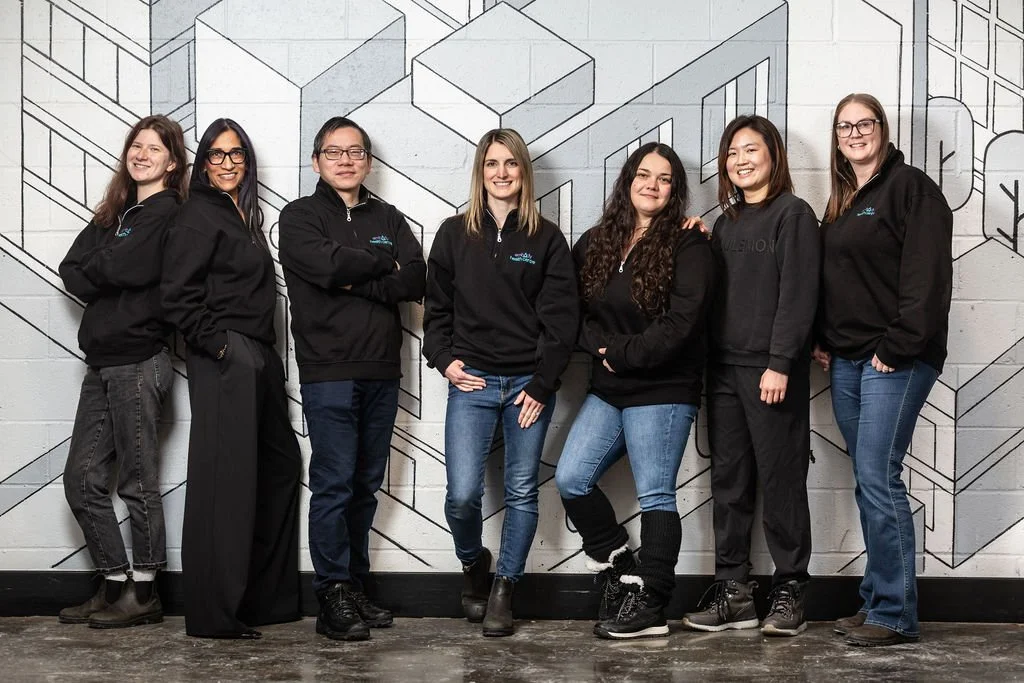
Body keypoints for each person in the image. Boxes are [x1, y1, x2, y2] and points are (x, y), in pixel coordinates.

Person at [555, 142, 714, 639]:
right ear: (627, 181)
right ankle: (620, 562)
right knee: (571, 478)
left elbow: (681, 324)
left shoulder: (689, 244)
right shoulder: (597, 240)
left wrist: (619, 353)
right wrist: (603, 349)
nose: (652, 185)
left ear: (675, 190)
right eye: (644, 174)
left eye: (664, 179)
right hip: (609, 388)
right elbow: (572, 312)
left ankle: (653, 604)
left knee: (656, 493)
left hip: (664, 389)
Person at [422, 128, 578, 637]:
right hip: (472, 382)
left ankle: (505, 588)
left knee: (521, 491)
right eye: (492, 163)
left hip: (527, 387)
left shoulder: (546, 238)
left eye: (511, 163)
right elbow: (436, 311)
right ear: (480, 171)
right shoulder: (453, 234)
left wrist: (543, 384)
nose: (502, 173)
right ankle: (474, 563)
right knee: (462, 495)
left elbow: (562, 322)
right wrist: (444, 360)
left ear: (524, 172)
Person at [279, 116, 426, 642]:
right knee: (335, 484)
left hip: (382, 369)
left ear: (368, 160)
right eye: (334, 152)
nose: (345, 160)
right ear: (316, 161)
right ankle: (332, 594)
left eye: (356, 151)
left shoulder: (388, 216)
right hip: (329, 372)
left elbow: (415, 278)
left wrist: (356, 274)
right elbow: (323, 267)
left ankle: (355, 584)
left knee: (365, 486)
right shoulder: (299, 217)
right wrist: (381, 267)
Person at [814, 93, 952, 647]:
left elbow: (927, 279)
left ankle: (895, 613)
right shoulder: (843, 199)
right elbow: (838, 278)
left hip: (894, 358)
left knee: (878, 476)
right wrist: (823, 338)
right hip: (849, 360)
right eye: (844, 126)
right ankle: (875, 599)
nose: (854, 133)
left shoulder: (911, 188)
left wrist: (897, 347)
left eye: (863, 123)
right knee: (868, 480)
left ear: (883, 129)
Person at [162, 118, 303, 639]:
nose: (227, 162)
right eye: (217, 154)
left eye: (236, 153)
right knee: (227, 483)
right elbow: (176, 295)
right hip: (227, 356)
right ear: (202, 163)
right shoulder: (197, 214)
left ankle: (262, 602)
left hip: (259, 353)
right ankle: (214, 614)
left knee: (279, 467)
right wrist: (221, 347)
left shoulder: (241, 214)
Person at [679, 116, 819, 637]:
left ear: (773, 155)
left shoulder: (793, 214)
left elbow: (799, 294)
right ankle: (734, 593)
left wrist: (780, 363)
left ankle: (790, 590)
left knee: (782, 482)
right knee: (729, 483)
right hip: (723, 371)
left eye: (751, 149)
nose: (740, 160)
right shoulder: (726, 223)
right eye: (732, 152)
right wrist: (698, 241)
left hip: (770, 371)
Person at [57, 115, 187, 628]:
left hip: (138, 360)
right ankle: (114, 583)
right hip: (102, 362)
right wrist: (110, 264)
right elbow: (71, 269)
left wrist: (107, 266)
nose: (142, 154)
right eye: (136, 145)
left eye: (154, 148)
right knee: (81, 480)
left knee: (136, 482)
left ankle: (146, 591)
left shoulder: (169, 211)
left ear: (171, 162)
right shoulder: (115, 212)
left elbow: (131, 268)